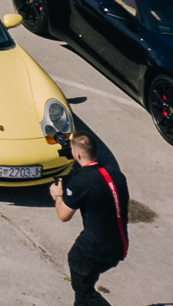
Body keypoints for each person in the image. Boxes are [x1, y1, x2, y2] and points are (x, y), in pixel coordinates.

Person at [52, 130, 130, 306]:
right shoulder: (116, 174)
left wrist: (58, 195)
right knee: (83, 292)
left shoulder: (81, 181)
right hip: (118, 245)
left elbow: (64, 215)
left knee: (85, 292)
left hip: (91, 250)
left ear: (77, 154)